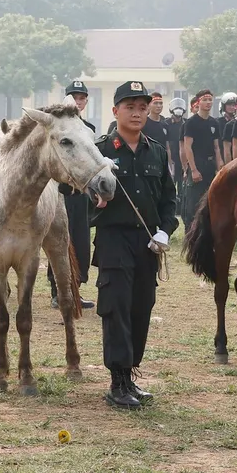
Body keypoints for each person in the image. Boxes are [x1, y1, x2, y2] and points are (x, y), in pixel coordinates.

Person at [91, 80, 177, 410]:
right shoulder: (100, 152)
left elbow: (169, 199)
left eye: (143, 107)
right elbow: (73, 195)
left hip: (147, 243)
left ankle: (131, 376)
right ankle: (117, 382)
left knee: (142, 307)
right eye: (130, 107)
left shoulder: (156, 150)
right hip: (113, 239)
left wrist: (165, 231)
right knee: (117, 308)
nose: (138, 113)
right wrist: (93, 204)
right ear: (115, 111)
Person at [53, 81, 96, 310]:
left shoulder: (88, 129)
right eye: (73, 97)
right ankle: (56, 291)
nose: (78, 102)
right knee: (59, 241)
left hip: (81, 194)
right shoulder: (58, 129)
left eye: (81, 98)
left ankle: (76, 289)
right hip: (61, 194)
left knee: (80, 241)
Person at [181, 90, 221, 229]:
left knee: (210, 201)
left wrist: (220, 165)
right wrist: (193, 169)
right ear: (198, 102)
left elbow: (216, 147)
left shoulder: (214, 123)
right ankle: (191, 232)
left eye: (210, 100)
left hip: (210, 165)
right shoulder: (191, 122)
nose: (208, 102)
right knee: (194, 203)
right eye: (205, 100)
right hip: (197, 164)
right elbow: (187, 147)